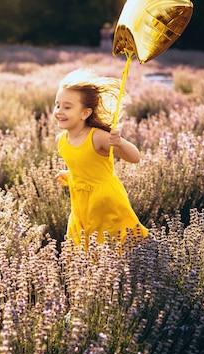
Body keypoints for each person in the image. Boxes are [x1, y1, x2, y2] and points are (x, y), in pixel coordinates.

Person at [54, 69, 148, 248]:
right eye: (57, 105)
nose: (59, 111)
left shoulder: (96, 137)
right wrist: (70, 174)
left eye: (67, 107)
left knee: (112, 244)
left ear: (85, 113)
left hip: (105, 200)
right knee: (80, 245)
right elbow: (83, 165)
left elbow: (135, 158)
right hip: (80, 202)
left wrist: (120, 143)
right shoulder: (62, 140)